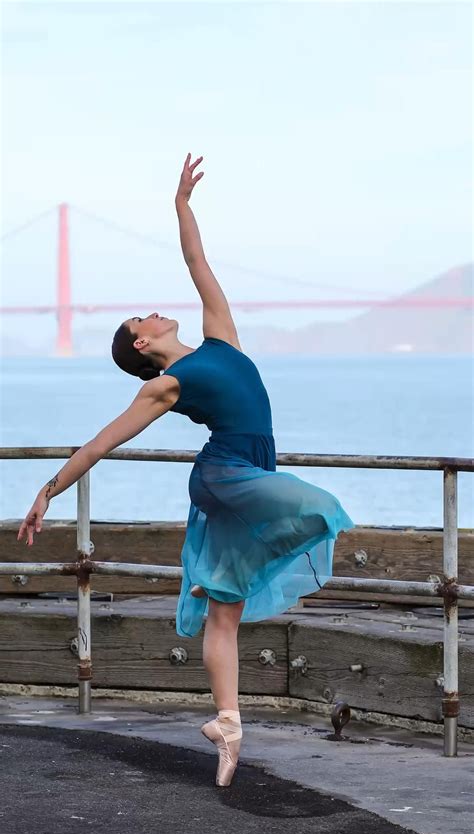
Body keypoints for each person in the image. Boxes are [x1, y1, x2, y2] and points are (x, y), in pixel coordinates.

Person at [18, 153, 355, 787]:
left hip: (250, 473)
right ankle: (210, 576)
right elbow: (100, 443)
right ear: (142, 345)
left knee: (225, 611)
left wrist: (181, 206)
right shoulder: (168, 384)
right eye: (137, 320)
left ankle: (226, 724)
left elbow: (198, 264)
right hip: (228, 475)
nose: (147, 312)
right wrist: (47, 490)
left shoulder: (220, 336)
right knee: (321, 508)